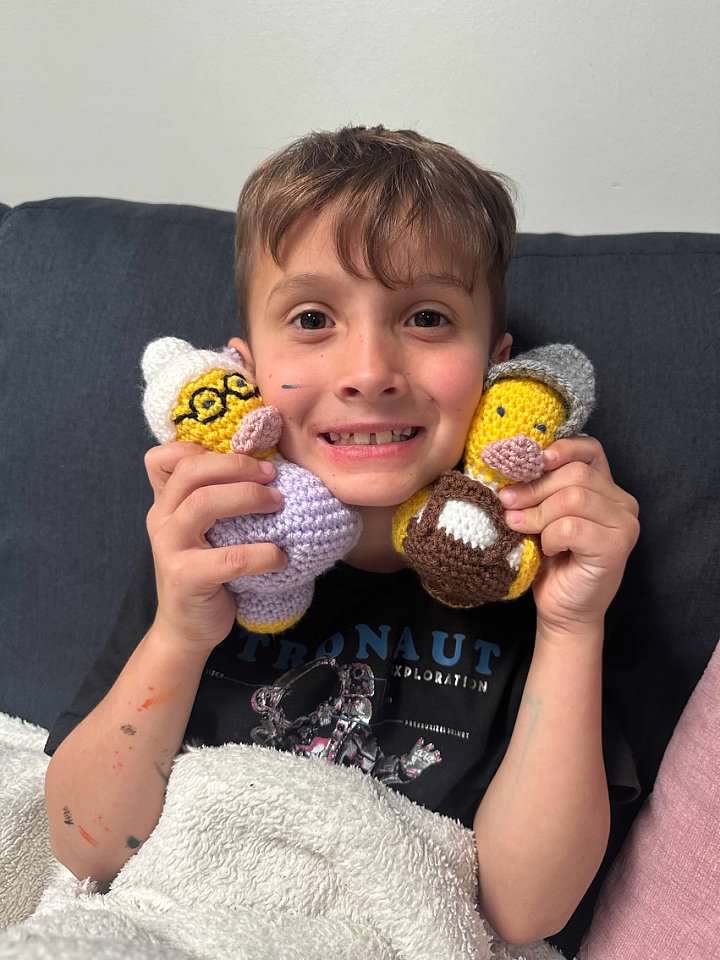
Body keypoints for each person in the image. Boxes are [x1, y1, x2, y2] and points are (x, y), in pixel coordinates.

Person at [43, 124, 640, 946]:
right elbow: (86, 847)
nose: (368, 371)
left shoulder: (528, 574)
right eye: (313, 318)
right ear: (245, 371)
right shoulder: (210, 546)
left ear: (497, 368)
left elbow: (525, 912)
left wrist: (573, 627)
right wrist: (180, 633)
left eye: (426, 317)